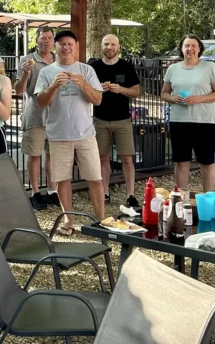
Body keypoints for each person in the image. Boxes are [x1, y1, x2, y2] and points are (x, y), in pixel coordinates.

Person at [35, 30, 105, 235]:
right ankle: (68, 221)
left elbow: (98, 100)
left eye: (70, 44)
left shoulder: (86, 70)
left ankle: (100, 221)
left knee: (95, 177)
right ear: (55, 47)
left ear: (76, 46)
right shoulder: (47, 72)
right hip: (58, 135)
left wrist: (83, 83)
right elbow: (41, 102)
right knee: (63, 179)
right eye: (62, 44)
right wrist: (54, 86)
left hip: (85, 133)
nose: (66, 47)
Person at [161, 34, 215, 192]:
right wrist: (174, 98)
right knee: (182, 162)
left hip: (204, 122)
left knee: (207, 162)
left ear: (199, 49)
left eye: (193, 46)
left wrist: (199, 99)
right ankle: (180, 201)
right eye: (186, 46)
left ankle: (208, 198)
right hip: (179, 121)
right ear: (181, 49)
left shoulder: (208, 67)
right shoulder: (172, 69)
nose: (190, 49)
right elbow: (164, 94)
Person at [89, 34, 142, 207]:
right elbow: (87, 92)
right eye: (106, 44)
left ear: (118, 47)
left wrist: (121, 89)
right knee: (102, 158)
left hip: (123, 120)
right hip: (100, 119)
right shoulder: (93, 67)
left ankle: (130, 195)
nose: (110, 47)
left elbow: (136, 91)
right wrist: (99, 90)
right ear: (101, 46)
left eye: (113, 44)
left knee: (127, 159)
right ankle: (104, 193)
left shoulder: (126, 66)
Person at [15, 27, 58, 211]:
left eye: (49, 38)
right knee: (34, 155)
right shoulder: (27, 61)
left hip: (57, 116)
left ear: (54, 40)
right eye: (43, 38)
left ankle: (52, 190)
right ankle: (34, 192)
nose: (46, 41)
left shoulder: (59, 60)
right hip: (35, 115)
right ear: (37, 40)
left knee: (52, 155)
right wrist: (25, 73)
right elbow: (17, 90)